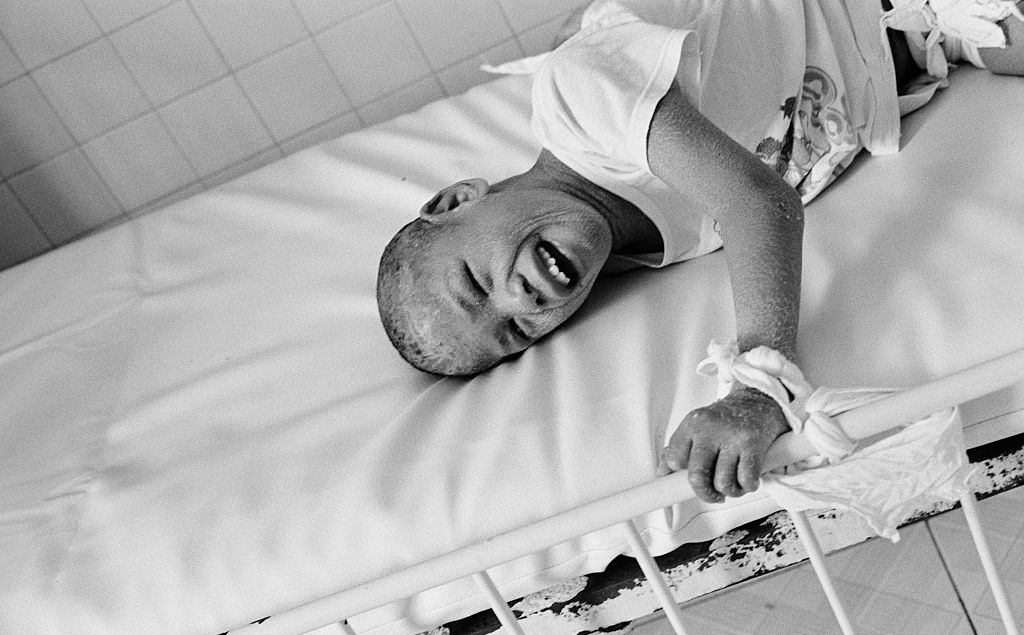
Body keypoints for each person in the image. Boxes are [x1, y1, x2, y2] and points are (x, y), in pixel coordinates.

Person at [376, 0, 1024, 504]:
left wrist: (760, 385)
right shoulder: (639, 248)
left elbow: (758, 204)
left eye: (474, 281)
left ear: (455, 200)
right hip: (922, 39)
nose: (522, 300)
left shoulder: (579, 102)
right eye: (516, 332)